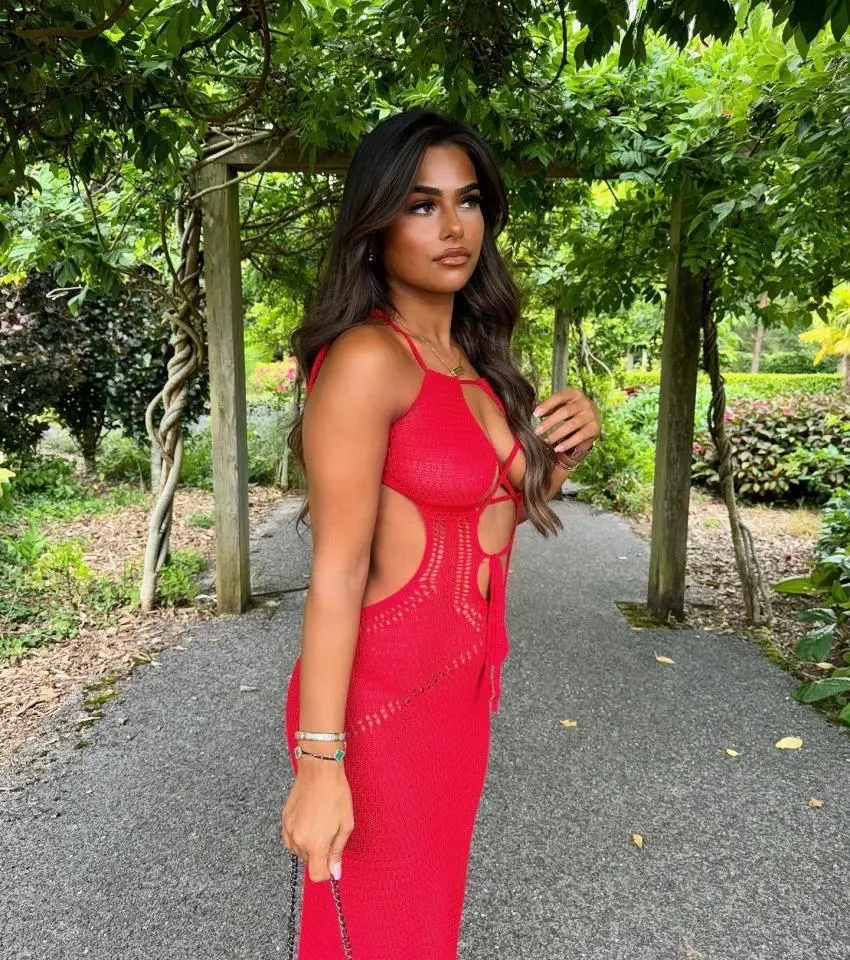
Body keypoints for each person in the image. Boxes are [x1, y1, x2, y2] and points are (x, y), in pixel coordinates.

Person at [280, 108, 601, 958]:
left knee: (426, 931)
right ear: (375, 224)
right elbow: (337, 573)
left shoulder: (474, 360)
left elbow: (483, 525)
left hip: (460, 699)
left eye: (468, 201)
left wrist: (562, 453)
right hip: (378, 709)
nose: (453, 227)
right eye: (422, 205)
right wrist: (320, 765)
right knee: (376, 938)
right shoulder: (367, 361)